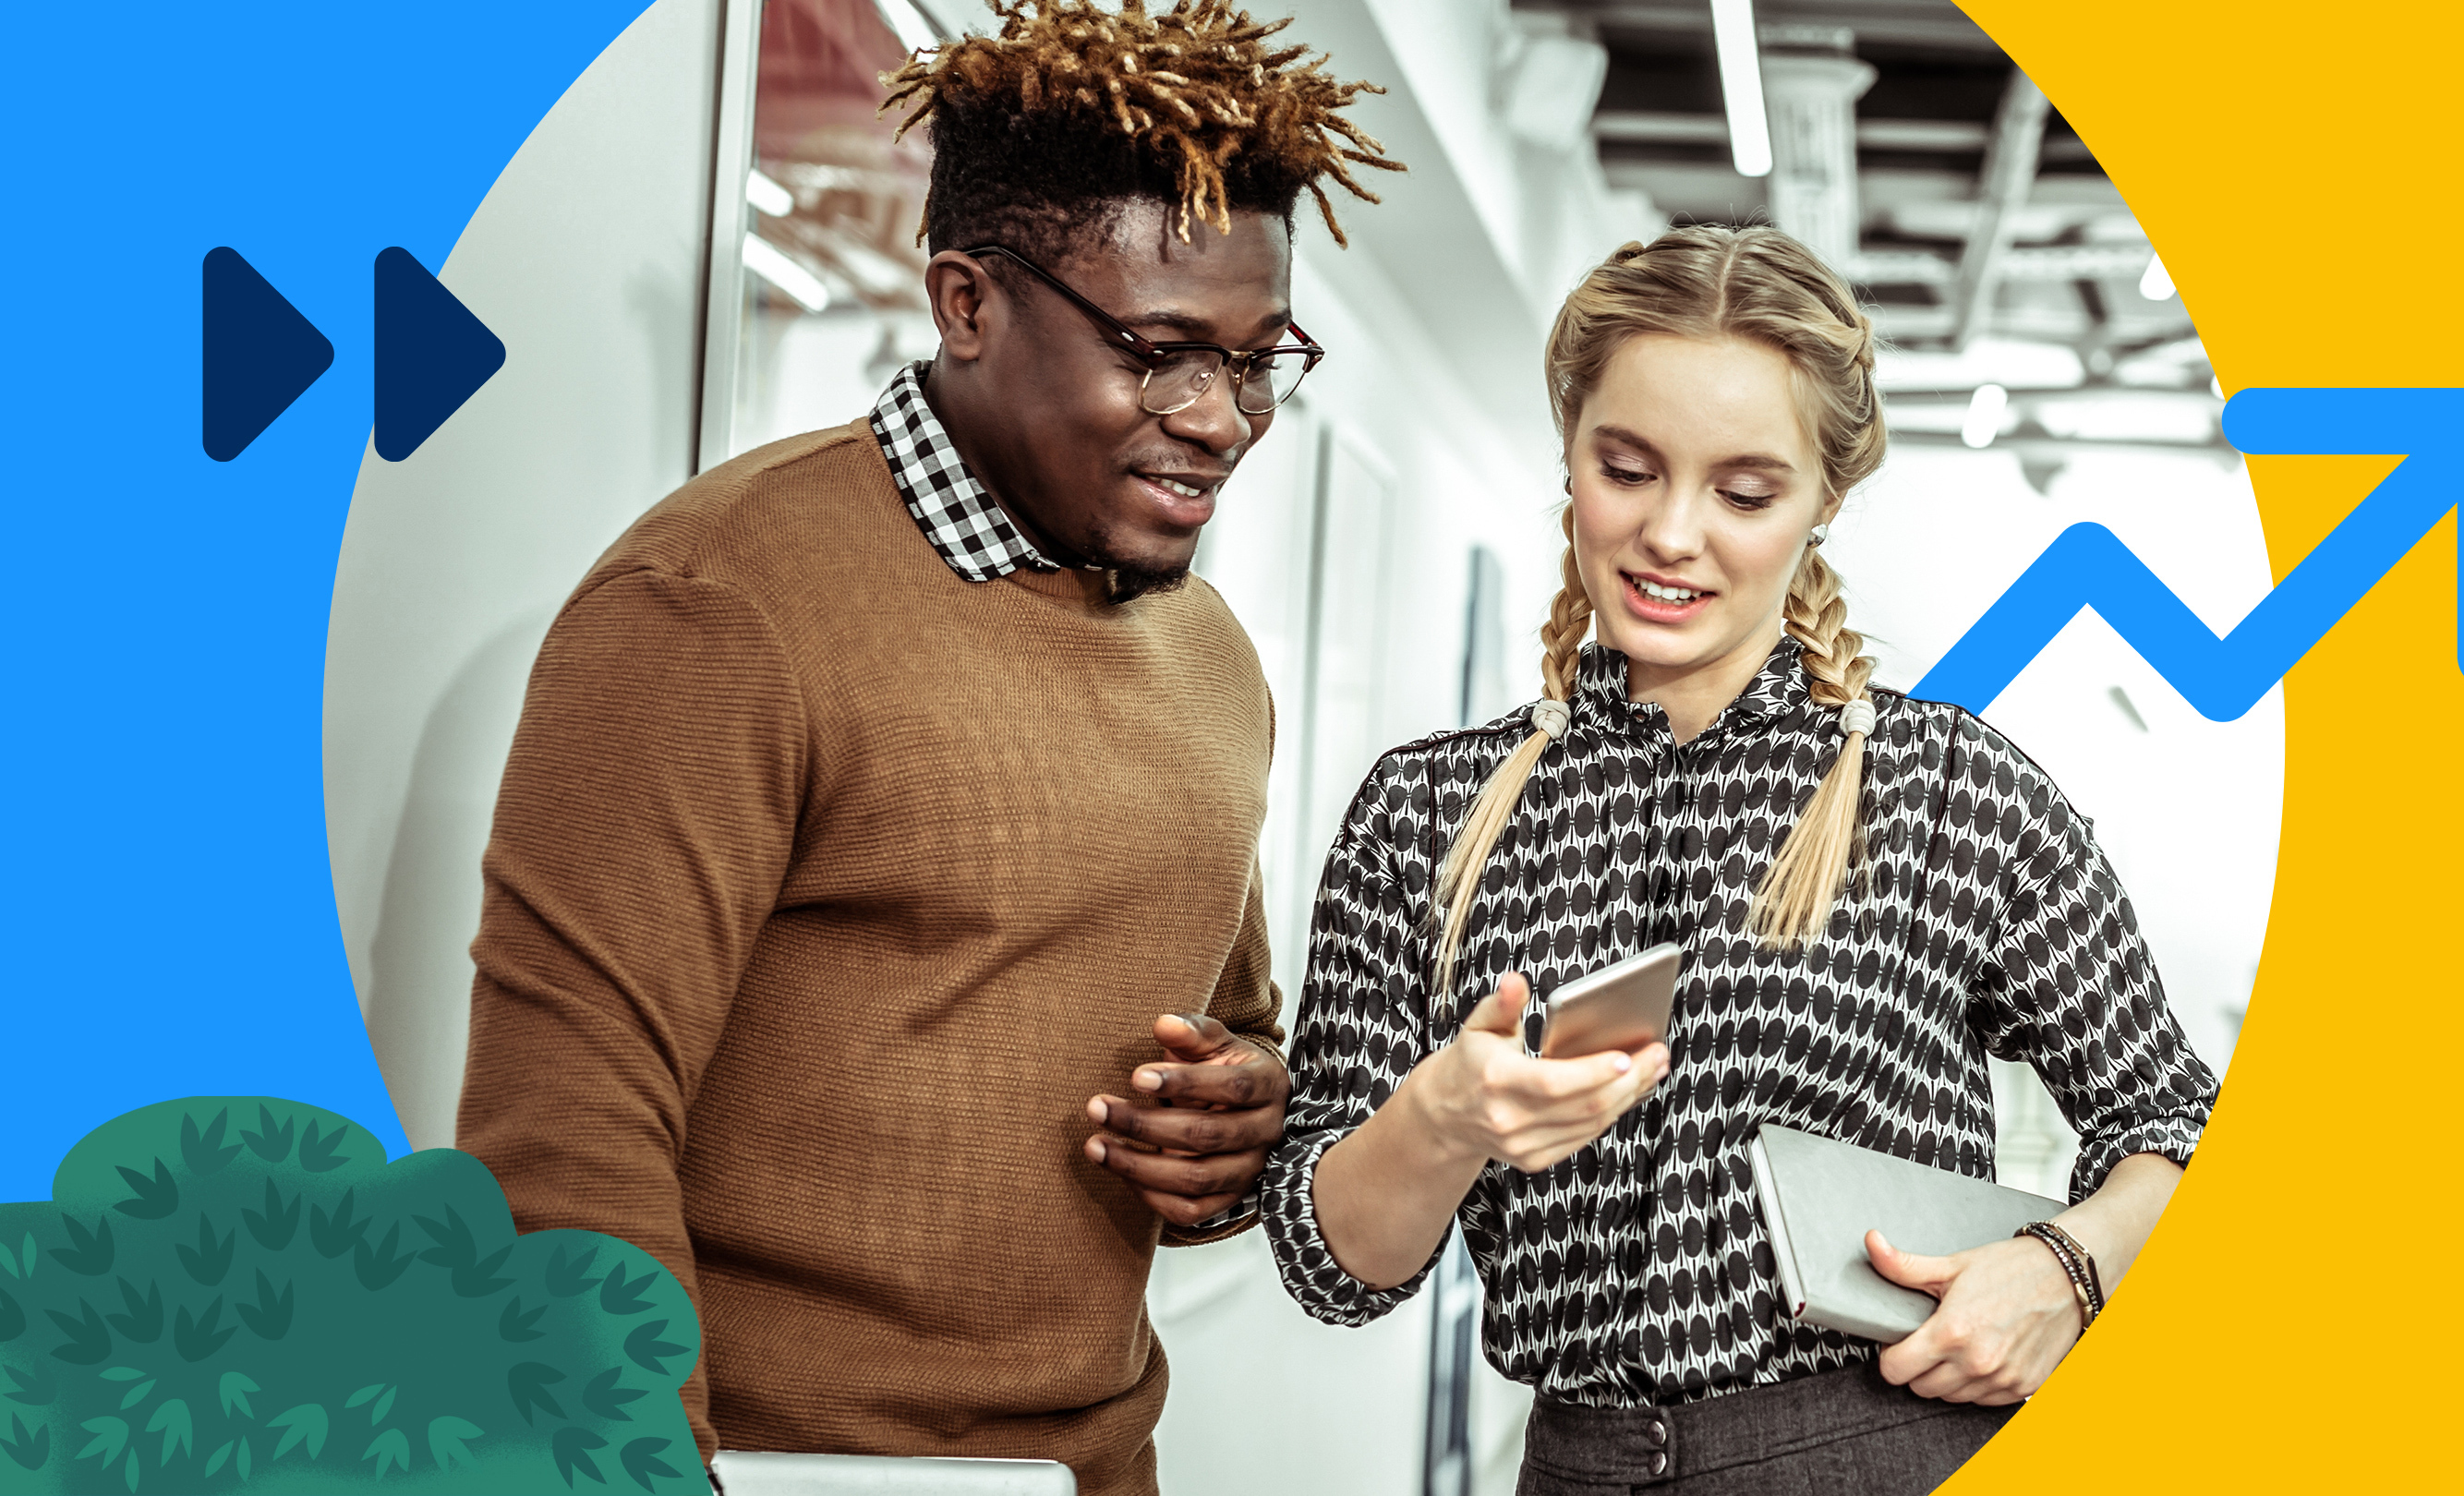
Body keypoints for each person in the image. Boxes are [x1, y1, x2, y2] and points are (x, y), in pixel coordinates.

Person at [453, 5, 1400, 1492]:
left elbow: (1234, 1034)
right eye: (1161, 355)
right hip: (773, 1469)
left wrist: (1241, 1118)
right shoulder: (714, 604)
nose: (1222, 420)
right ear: (967, 303)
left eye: (1257, 360)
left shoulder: (1210, 655)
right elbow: (560, 1143)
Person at [1261, 224, 2220, 1494]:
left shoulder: (1950, 793)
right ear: (1570, 452)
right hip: (1577, 1466)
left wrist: (2071, 1269)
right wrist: (1443, 1118)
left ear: (1825, 503)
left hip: (1888, 1451)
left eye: (1745, 493)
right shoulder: (1421, 813)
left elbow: (2178, 1124)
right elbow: (1336, 1270)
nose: (1671, 532)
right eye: (1626, 469)